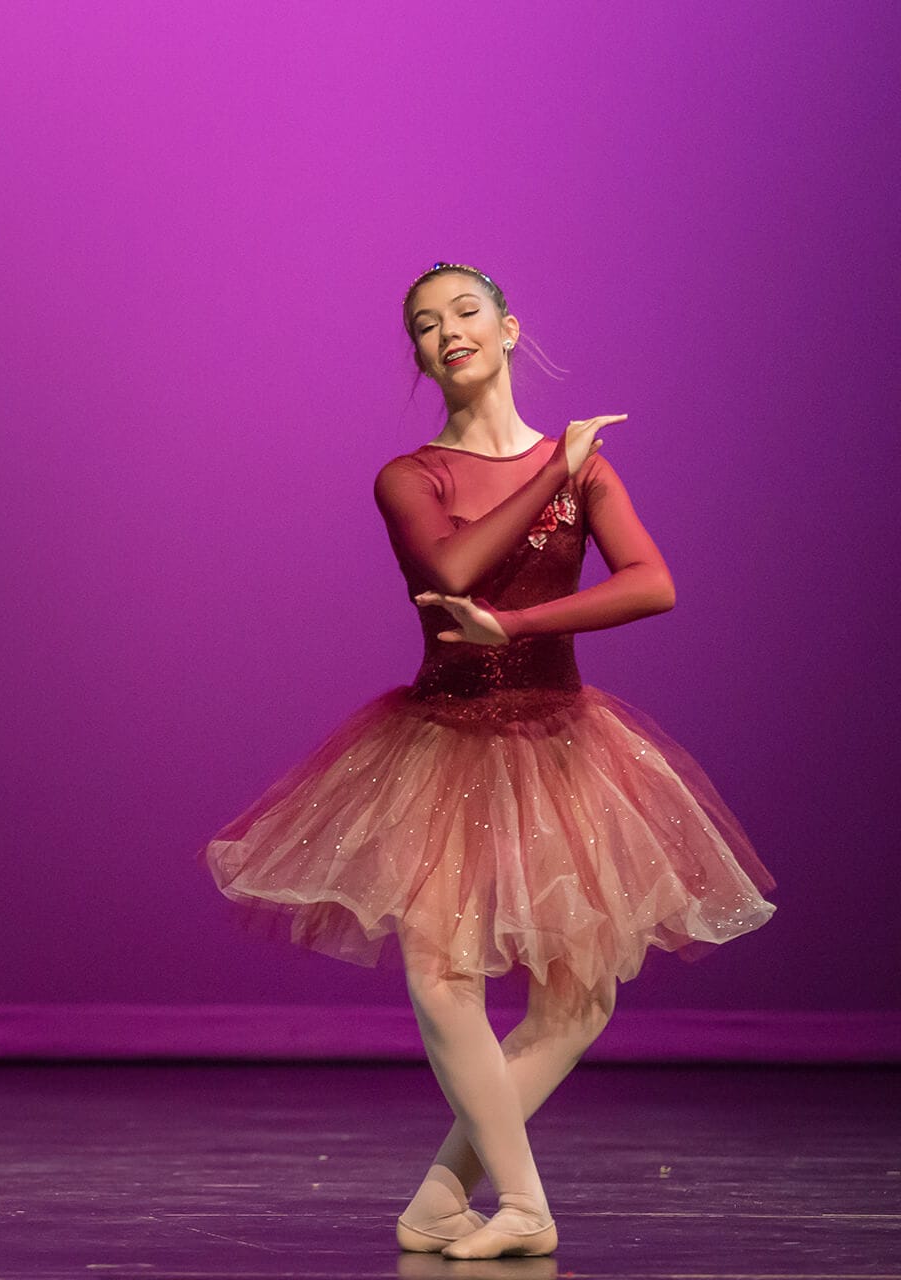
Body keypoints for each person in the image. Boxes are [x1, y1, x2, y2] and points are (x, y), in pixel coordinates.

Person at [204, 266, 773, 1259]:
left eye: (465, 312)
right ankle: (525, 1203)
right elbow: (454, 571)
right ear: (420, 357)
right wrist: (556, 475)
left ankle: (440, 1198)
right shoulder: (410, 475)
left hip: (561, 742)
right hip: (444, 744)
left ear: (508, 328)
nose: (446, 331)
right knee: (441, 974)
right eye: (424, 326)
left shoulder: (582, 463)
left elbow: (654, 583)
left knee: (581, 995)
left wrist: (519, 614)